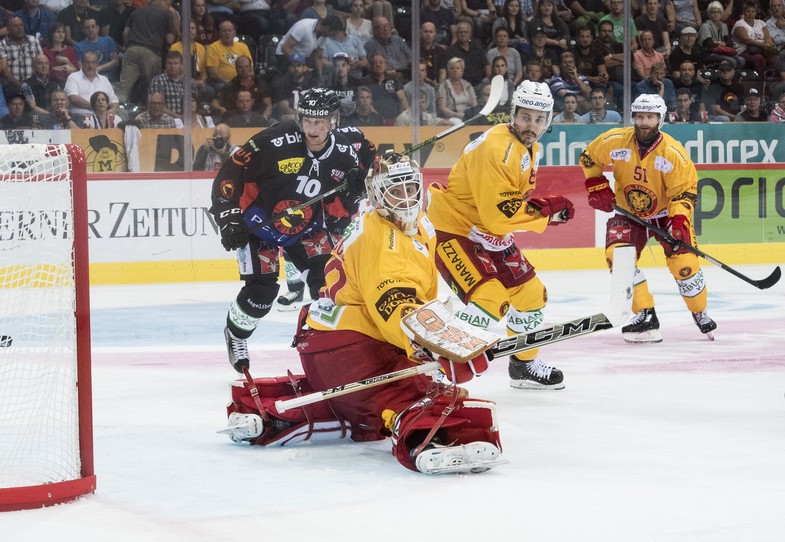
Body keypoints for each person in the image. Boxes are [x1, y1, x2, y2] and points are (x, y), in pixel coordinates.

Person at [220, 152, 505, 476]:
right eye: (395, 190)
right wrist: (447, 345)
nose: (406, 198)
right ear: (376, 193)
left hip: (324, 347)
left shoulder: (394, 220)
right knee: (415, 394)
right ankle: (427, 434)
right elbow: (396, 304)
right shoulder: (386, 238)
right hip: (354, 351)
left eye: (411, 187)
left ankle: (275, 413)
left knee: (354, 401)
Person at [427, 81, 575, 390]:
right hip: (454, 230)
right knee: (489, 298)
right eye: (525, 117)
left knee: (532, 296)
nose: (531, 125)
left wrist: (541, 212)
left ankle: (522, 365)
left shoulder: (529, 148)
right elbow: (497, 216)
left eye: (538, 119)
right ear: (513, 115)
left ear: (547, 121)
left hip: (487, 234)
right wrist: (544, 214)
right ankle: (441, 372)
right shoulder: (499, 148)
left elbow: (504, 211)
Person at [211, 88, 370, 373]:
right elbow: (232, 170)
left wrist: (354, 192)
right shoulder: (276, 139)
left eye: (320, 122)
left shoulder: (345, 153)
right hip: (259, 225)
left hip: (306, 228)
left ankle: (326, 347)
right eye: (308, 120)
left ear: (333, 121)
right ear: (299, 119)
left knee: (328, 286)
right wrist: (227, 212)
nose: (313, 128)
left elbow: (340, 210)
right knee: (261, 295)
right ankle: (236, 335)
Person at [580, 93, 716, 343]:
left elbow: (684, 192)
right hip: (629, 212)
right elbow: (589, 158)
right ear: (633, 117)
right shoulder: (616, 140)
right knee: (618, 257)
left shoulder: (673, 152)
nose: (644, 122)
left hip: (666, 215)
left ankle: (699, 311)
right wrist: (596, 184)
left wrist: (678, 221)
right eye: (640, 116)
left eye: (650, 117)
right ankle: (645, 313)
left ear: (660, 120)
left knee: (684, 264)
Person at [65, 50, 120, 117]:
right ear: (82, 63)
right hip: (80, 117)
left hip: (103, 117)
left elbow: (114, 100)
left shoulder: (104, 80)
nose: (90, 66)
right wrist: (96, 107)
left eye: (93, 62)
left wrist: (113, 109)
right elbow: (73, 98)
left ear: (97, 64)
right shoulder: (73, 77)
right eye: (87, 62)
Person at [0, 15, 43, 84]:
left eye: (21, 25)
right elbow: (3, 69)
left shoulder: (33, 40)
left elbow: (41, 62)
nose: (19, 28)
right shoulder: (1, 44)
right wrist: (17, 84)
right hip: (11, 85)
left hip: (34, 84)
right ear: (8, 29)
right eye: (15, 26)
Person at [42, 22, 79, 87]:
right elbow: (46, 71)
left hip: (70, 82)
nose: (61, 35)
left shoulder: (70, 50)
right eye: (58, 32)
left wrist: (67, 61)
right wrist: (64, 67)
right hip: (51, 83)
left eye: (63, 32)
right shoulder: (45, 51)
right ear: (52, 34)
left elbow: (77, 71)